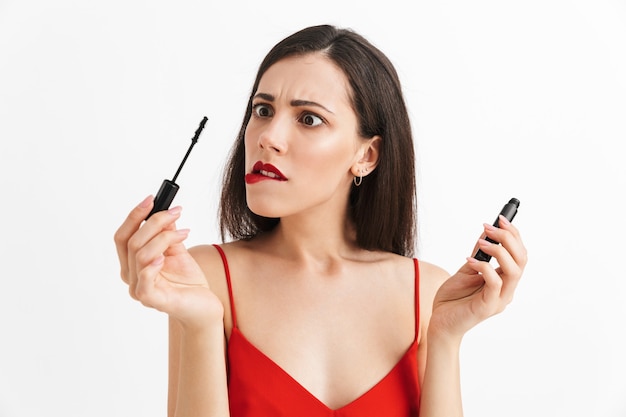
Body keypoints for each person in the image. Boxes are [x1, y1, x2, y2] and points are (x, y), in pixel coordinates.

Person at [114, 24, 527, 417]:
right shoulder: (204, 278)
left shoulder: (429, 293)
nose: (267, 137)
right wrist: (201, 323)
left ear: (366, 156)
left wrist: (446, 337)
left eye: (308, 118)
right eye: (262, 109)